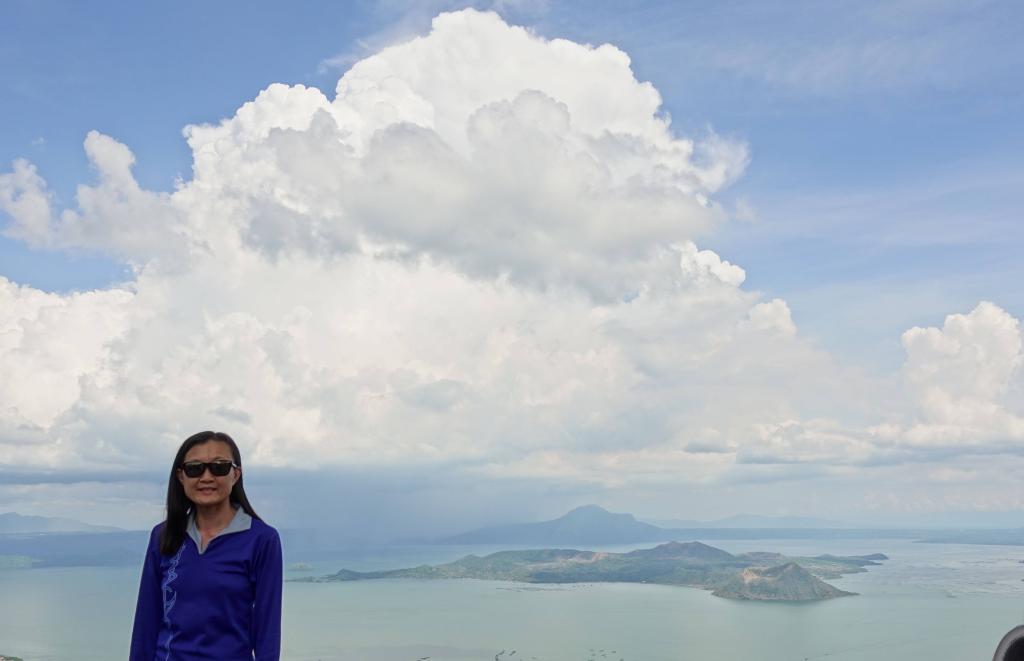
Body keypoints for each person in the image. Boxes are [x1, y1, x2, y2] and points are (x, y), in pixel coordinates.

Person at [129, 431, 282, 660]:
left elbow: (267, 628)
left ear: (236, 474)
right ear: (181, 476)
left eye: (219, 467)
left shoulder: (261, 540)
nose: (207, 477)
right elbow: (146, 620)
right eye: (195, 468)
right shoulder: (163, 535)